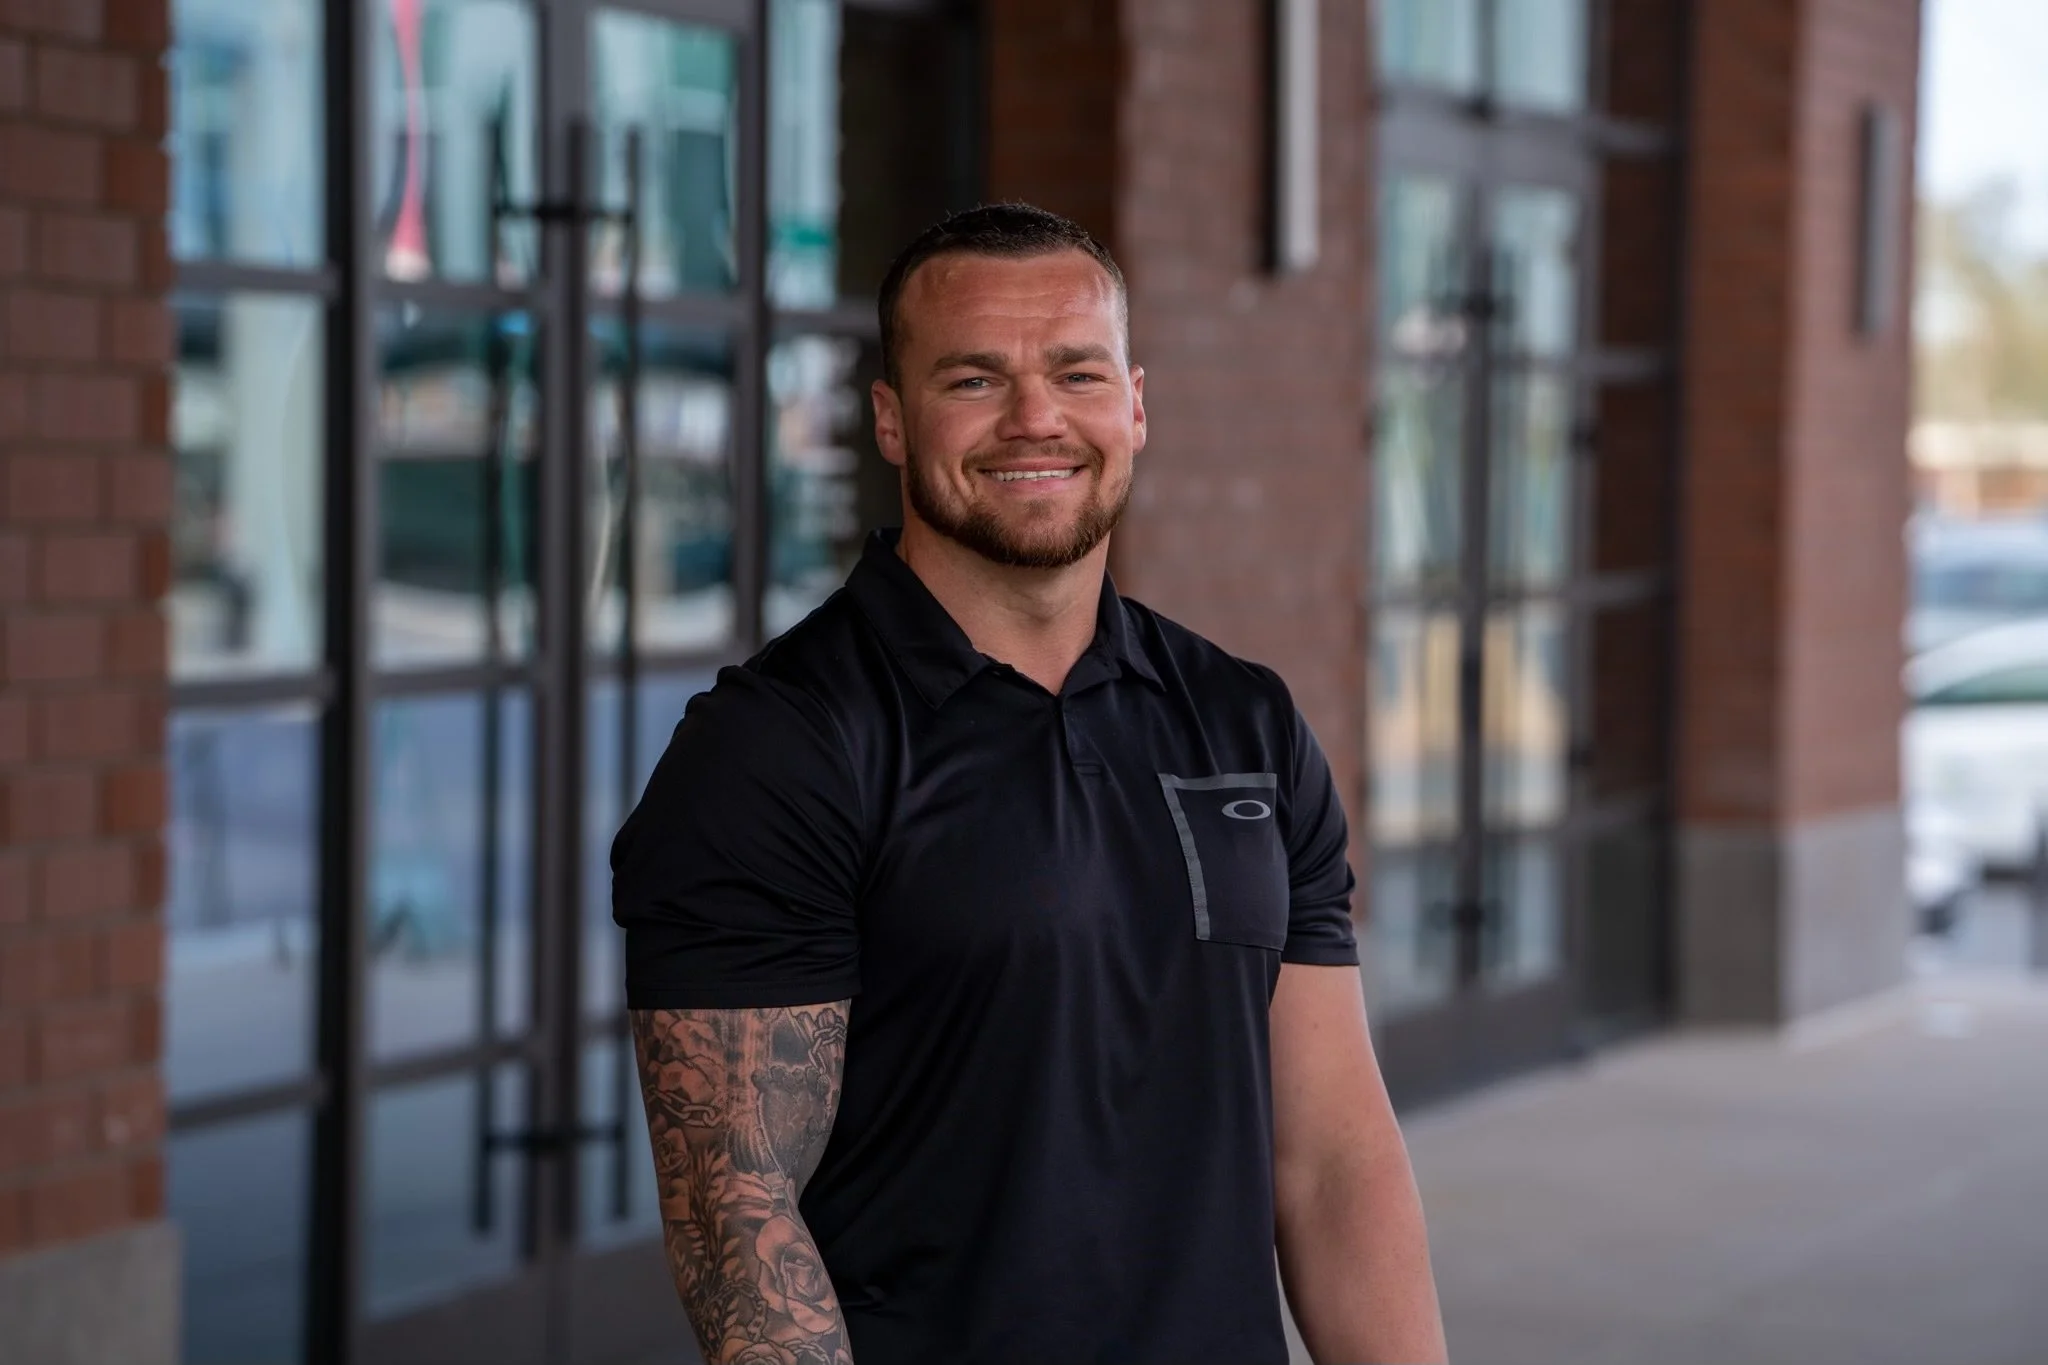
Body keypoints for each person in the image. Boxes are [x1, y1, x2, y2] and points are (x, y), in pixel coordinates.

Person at [613, 202, 1447, 1365]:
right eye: (973, 380)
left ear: (1134, 405)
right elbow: (738, 1216)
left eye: (1075, 373)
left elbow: (1331, 1159)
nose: (1035, 418)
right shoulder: (777, 749)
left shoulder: (1243, 724)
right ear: (890, 420)